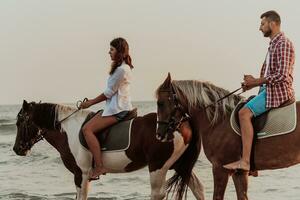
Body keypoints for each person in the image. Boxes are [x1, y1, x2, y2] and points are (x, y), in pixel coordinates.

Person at [224, 10, 295, 171]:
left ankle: (246, 162)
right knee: (245, 106)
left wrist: (256, 81)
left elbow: (282, 75)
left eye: (262, 24)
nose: (260, 28)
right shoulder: (273, 44)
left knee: (244, 114)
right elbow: (270, 74)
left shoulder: (283, 43)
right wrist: (253, 84)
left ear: (272, 23)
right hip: (267, 89)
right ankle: (254, 161)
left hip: (278, 91)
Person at [80, 37, 134, 179]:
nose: (108, 52)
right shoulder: (121, 68)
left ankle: (99, 167)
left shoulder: (121, 70)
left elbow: (109, 93)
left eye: (111, 49)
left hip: (118, 110)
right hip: (114, 107)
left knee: (87, 129)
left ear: (119, 51)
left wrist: (90, 102)